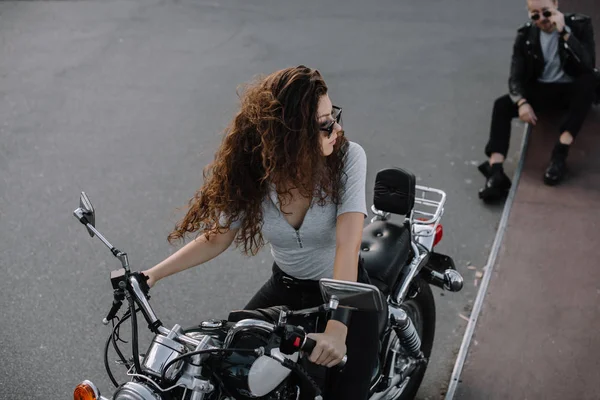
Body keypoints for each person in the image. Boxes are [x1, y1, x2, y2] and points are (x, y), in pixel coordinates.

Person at [141, 65, 379, 399]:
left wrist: (337, 329)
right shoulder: (255, 171)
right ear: (291, 135)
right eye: (324, 122)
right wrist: (151, 275)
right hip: (285, 287)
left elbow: (348, 244)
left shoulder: (348, 158)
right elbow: (218, 236)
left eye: (333, 115)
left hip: (345, 294)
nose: (336, 127)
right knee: (228, 370)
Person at [478, 0, 597, 202]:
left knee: (590, 81)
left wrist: (565, 33)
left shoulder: (580, 25)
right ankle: (495, 170)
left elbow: (587, 63)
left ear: (556, 5)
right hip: (541, 91)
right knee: (501, 105)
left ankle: (560, 152)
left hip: (571, 89)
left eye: (546, 13)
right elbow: (515, 77)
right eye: (535, 15)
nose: (542, 19)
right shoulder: (525, 35)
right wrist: (522, 103)